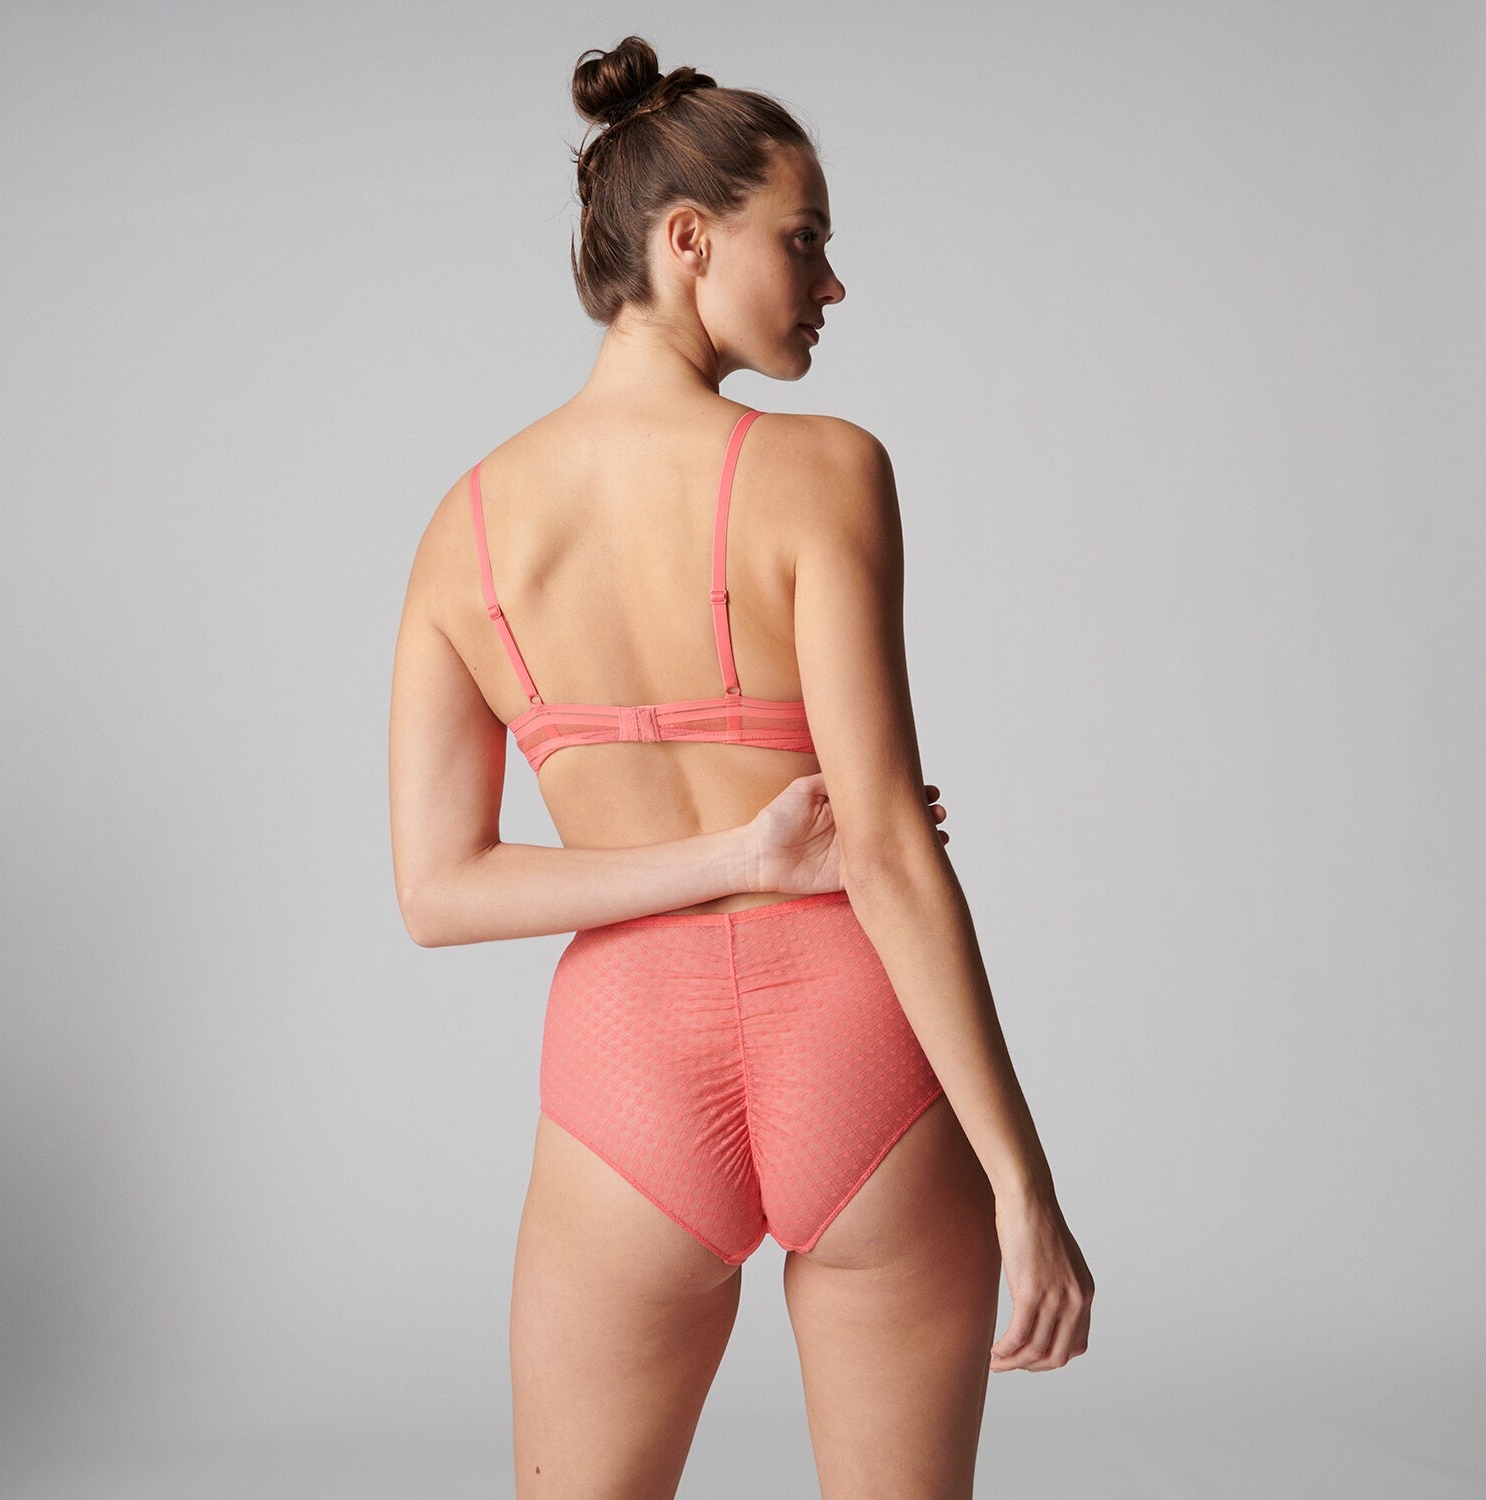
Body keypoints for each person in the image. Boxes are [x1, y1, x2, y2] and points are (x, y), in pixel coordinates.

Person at [388, 34, 1093, 1499]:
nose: (832, 285)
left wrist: (718, 860)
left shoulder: (465, 532)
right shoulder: (827, 469)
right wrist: (1022, 1183)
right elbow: (885, 848)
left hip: (625, 1071)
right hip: (857, 1044)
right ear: (688, 239)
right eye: (806, 240)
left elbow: (437, 890)